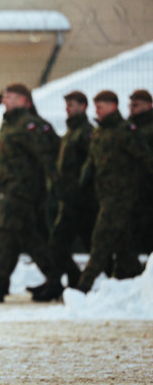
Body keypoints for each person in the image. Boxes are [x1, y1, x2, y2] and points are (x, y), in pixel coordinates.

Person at [0, 83, 60, 303]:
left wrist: (58, 184)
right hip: (13, 188)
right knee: (29, 237)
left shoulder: (29, 125)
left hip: (23, 191)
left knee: (1, 236)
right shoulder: (10, 123)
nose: (4, 101)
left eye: (9, 97)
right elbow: (9, 158)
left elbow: (47, 157)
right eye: (4, 97)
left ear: (24, 100)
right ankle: (55, 280)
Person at [74, 90, 153, 291]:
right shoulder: (100, 131)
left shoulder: (125, 131)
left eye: (100, 107)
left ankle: (83, 287)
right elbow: (93, 159)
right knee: (123, 243)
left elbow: (146, 159)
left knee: (100, 240)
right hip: (104, 195)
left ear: (112, 107)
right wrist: (85, 174)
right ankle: (133, 283)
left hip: (121, 197)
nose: (97, 111)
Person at [33, 91, 94, 300]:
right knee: (64, 243)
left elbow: (91, 164)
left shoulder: (85, 132)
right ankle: (66, 281)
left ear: (83, 107)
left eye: (73, 104)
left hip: (80, 200)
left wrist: (80, 190)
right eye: (67, 104)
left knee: (71, 243)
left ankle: (121, 279)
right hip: (69, 199)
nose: (68, 108)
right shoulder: (70, 133)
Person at [127, 89, 153, 254]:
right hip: (131, 188)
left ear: (149, 106)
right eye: (130, 105)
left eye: (136, 105)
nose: (131, 108)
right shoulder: (129, 127)